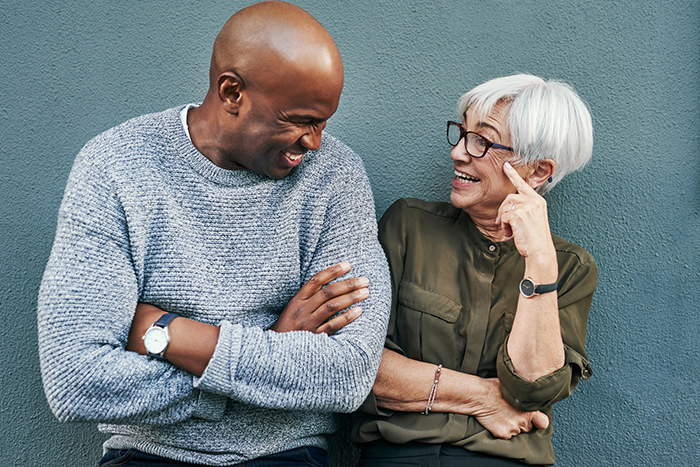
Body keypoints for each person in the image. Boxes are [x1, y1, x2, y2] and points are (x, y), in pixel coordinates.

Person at [37, 2, 390, 466]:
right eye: (301, 120)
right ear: (231, 92)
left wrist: (169, 334)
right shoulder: (115, 167)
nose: (315, 142)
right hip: (148, 454)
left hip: (286, 454)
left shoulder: (335, 177)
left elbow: (348, 374)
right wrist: (272, 345)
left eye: (324, 123)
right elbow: (74, 377)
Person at [351, 74, 597, 466]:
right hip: (398, 456)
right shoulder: (408, 227)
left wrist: (539, 262)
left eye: (482, 141)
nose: (459, 153)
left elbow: (530, 391)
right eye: (462, 133)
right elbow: (361, 366)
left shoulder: (568, 269)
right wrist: (483, 398)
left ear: (536, 172)